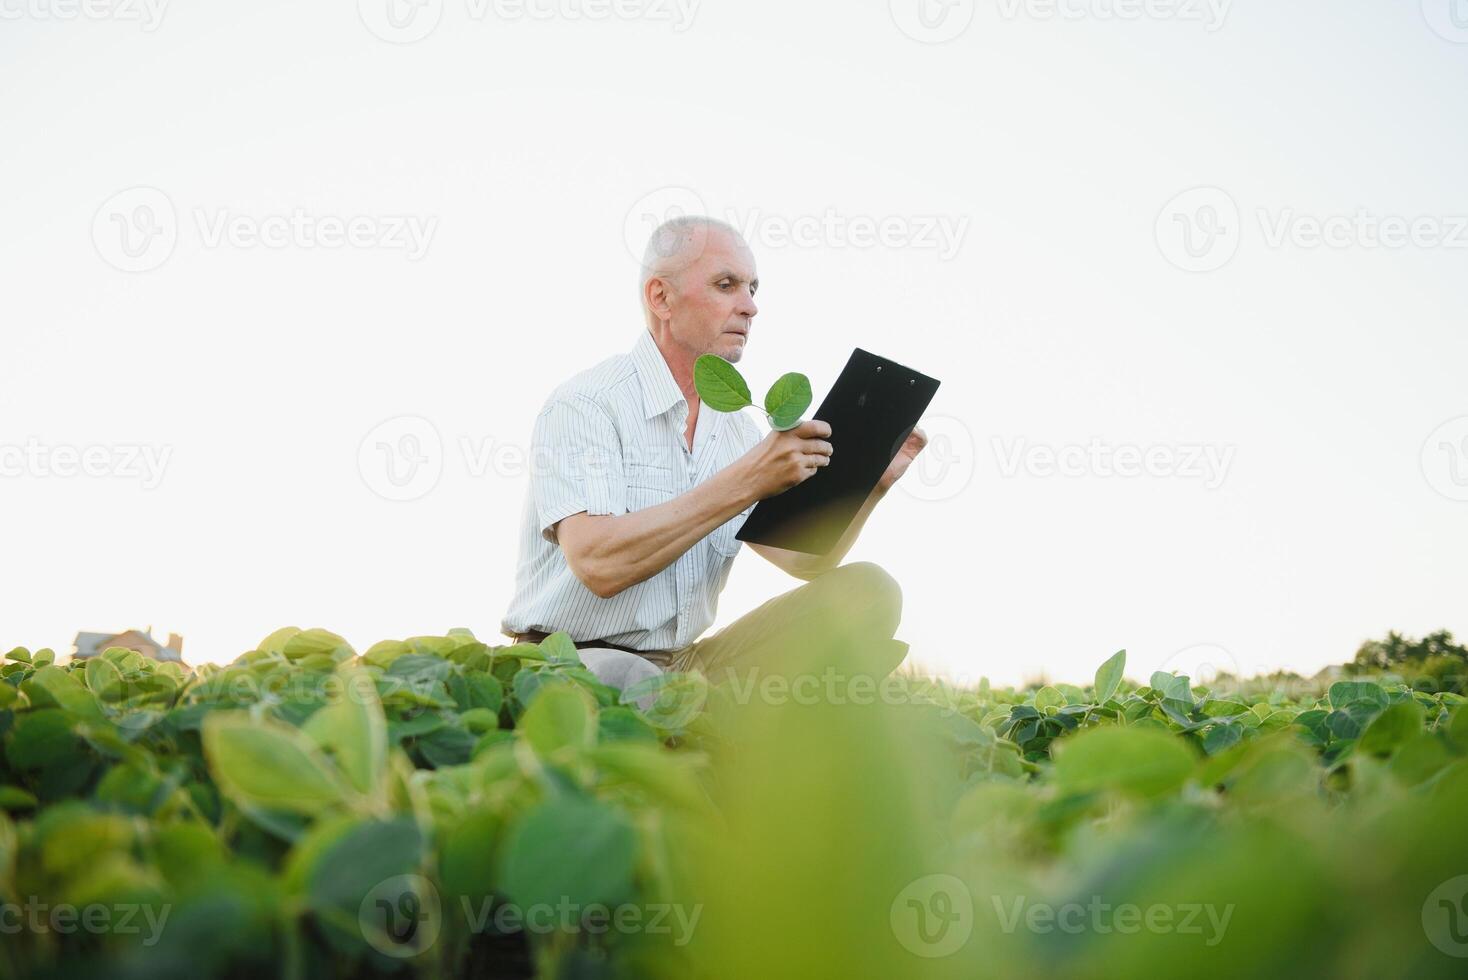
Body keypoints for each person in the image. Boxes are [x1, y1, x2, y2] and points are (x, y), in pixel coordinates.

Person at [500, 215, 928, 690]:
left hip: (685, 666)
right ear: (661, 297)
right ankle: (723, 727)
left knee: (868, 592)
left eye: (753, 288)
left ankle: (727, 721)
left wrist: (870, 486)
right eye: (727, 285)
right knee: (626, 677)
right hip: (574, 660)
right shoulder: (587, 404)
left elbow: (805, 562)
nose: (750, 307)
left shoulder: (739, 432)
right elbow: (599, 565)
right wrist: (748, 480)